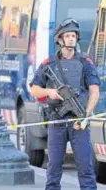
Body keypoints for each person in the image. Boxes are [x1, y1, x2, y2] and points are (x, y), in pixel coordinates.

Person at [29, 18, 101, 190]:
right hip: (57, 122)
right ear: (60, 40)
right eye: (67, 36)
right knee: (53, 168)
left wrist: (86, 115)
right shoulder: (49, 63)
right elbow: (34, 89)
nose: (71, 39)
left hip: (79, 123)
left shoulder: (85, 63)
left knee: (85, 167)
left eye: (73, 36)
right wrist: (49, 92)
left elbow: (94, 91)